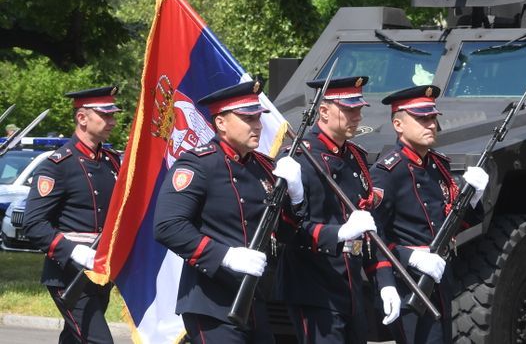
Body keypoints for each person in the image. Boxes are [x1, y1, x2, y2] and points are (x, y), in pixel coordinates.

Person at [153, 80, 304, 343]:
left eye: (258, 117)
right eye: (247, 118)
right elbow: (168, 226)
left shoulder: (264, 168)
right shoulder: (198, 164)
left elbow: (287, 232)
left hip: (254, 299)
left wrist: (297, 196)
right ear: (221, 123)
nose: (257, 124)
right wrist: (226, 256)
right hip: (211, 301)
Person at [273, 76, 401, 344]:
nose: (357, 116)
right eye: (348, 109)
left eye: (359, 109)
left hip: (351, 283)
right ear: (324, 111)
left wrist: (385, 278)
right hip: (313, 283)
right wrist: (338, 233)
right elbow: (284, 230)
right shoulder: (298, 158)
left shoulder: (355, 157)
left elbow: (370, 225)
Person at [370, 85, 488, 343]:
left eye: (433, 117)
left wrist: (475, 198)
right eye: (422, 118)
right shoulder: (388, 171)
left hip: (439, 279)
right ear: (398, 125)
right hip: (407, 282)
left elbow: (457, 223)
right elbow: (373, 238)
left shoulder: (438, 166)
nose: (431, 124)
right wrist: (406, 261)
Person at [23, 86, 122, 344]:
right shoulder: (58, 165)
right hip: (68, 272)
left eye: (113, 115)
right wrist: (76, 251)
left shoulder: (111, 162)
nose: (113, 121)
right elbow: (34, 224)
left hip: (100, 269)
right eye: (105, 115)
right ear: (82, 118)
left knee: (75, 339)